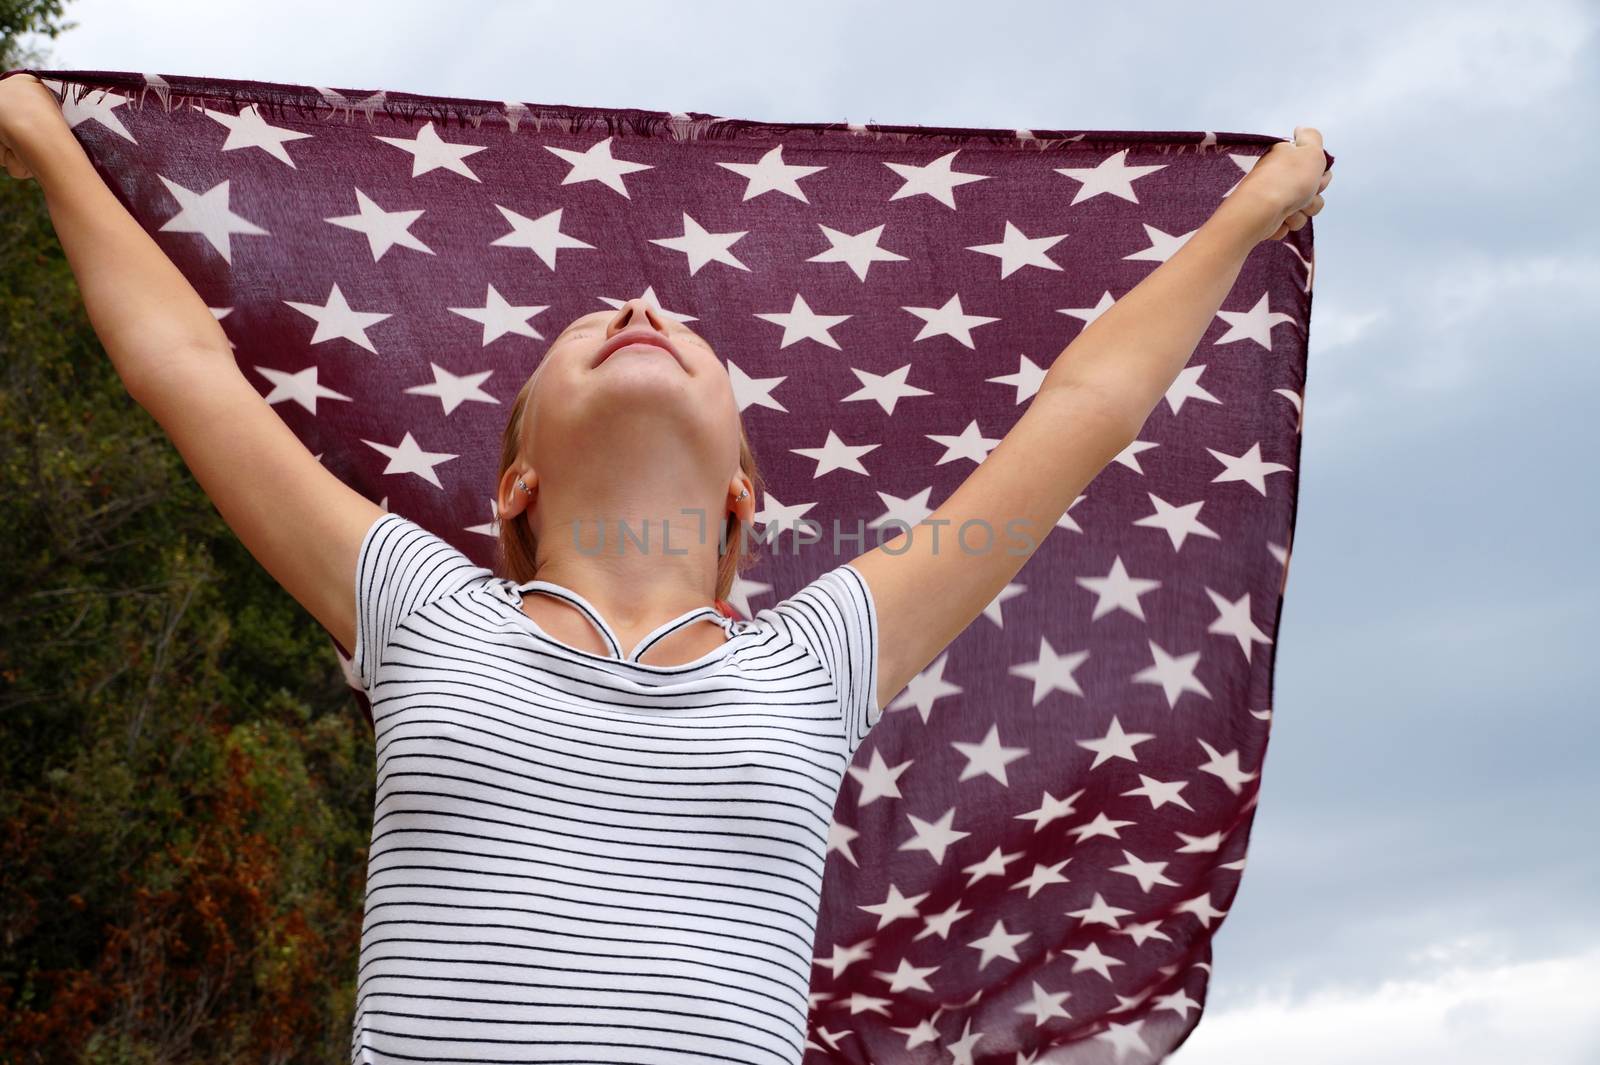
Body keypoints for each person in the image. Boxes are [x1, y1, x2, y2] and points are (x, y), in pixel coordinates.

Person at [0, 69, 1332, 1065]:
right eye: (597, 320)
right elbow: (185, 372)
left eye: (677, 326)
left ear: (742, 498)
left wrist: (1246, 219)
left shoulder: (819, 657)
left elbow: (1083, 411)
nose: (640, 309)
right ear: (514, 485)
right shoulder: (422, 608)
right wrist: (44, 143)